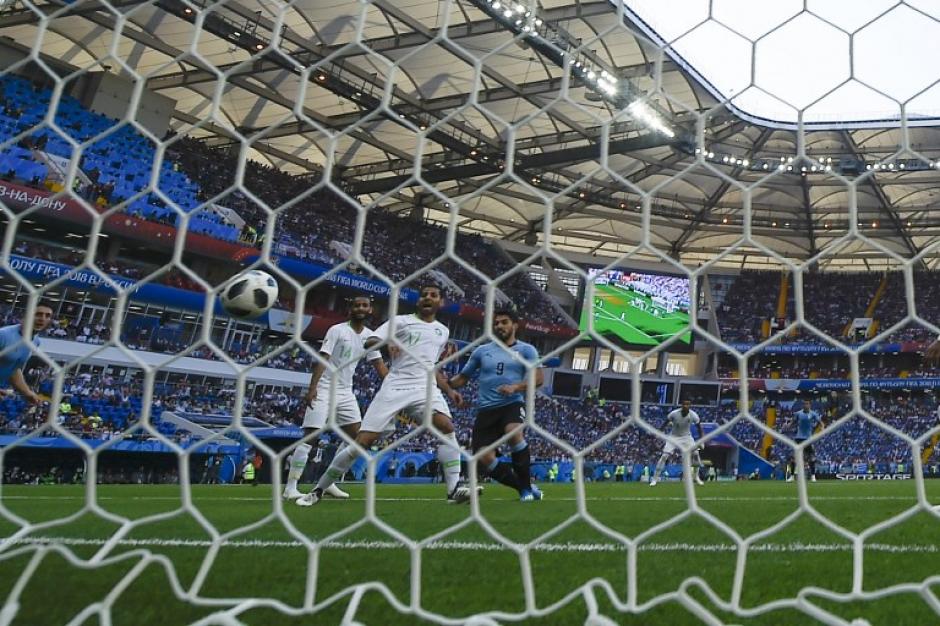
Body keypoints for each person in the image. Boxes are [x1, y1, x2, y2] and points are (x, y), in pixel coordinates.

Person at [297, 283, 471, 507]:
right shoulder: (400, 321)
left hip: (424, 387)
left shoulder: (442, 331)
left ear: (441, 302)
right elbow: (370, 341)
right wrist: (388, 342)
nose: (428, 298)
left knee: (447, 427)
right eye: (424, 295)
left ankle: (453, 490)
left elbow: (432, 366)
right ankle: (319, 489)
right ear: (418, 300)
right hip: (395, 385)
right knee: (362, 442)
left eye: (433, 295)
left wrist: (449, 390)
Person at [283, 297, 388, 500]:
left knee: (357, 440)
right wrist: (313, 388)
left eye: (364, 305)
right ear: (350, 308)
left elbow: (379, 365)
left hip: (346, 391)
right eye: (357, 305)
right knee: (311, 436)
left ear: (370, 310)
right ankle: (290, 487)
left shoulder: (370, 337)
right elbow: (323, 358)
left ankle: (328, 482)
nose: (360, 308)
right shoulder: (337, 330)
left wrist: (396, 386)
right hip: (324, 387)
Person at [448, 308, 543, 501]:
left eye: (504, 322)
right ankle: (524, 487)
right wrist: (445, 382)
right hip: (486, 410)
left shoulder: (526, 350)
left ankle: (526, 490)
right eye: (496, 323)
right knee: (485, 458)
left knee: (513, 433)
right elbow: (463, 378)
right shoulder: (482, 351)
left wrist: (516, 387)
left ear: (515, 325)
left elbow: (539, 379)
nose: (499, 326)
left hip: (511, 404)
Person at [0, 302, 53, 404]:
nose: (42, 319)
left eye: (47, 316)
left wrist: (27, 393)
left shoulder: (35, 342)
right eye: (38, 314)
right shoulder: (4, 335)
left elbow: (13, 368)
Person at [650, 400, 705, 487]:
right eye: (684, 404)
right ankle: (655, 479)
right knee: (664, 456)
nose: (686, 406)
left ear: (690, 406)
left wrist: (702, 440)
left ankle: (696, 477)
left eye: (688, 404)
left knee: (696, 454)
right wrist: (658, 433)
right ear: (681, 405)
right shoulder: (674, 413)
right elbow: (665, 423)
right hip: (673, 437)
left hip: (687, 437)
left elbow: (699, 428)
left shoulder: (693, 415)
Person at [786, 399, 824, 482]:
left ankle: (813, 476)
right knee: (794, 458)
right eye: (804, 404)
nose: (805, 405)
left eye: (807, 404)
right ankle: (792, 476)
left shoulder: (813, 414)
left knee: (811, 458)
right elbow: (793, 421)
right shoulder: (798, 413)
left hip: (808, 439)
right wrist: (788, 425)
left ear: (810, 405)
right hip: (799, 438)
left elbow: (820, 422)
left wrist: (822, 428)